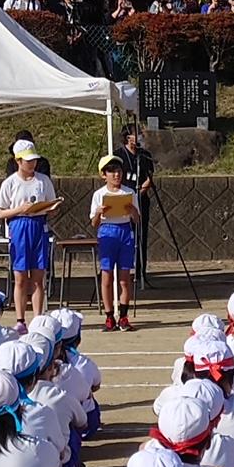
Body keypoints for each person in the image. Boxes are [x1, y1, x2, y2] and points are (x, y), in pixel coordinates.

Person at [0, 140, 61, 328]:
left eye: (34, 160)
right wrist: (20, 209)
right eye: (27, 161)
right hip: (19, 227)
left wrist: (51, 207)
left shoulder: (43, 180)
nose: (32, 164)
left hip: (39, 225)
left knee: (38, 276)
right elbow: (1, 212)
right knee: (20, 276)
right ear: (18, 161)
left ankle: (38, 318)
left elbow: (51, 206)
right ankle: (20, 319)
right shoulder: (10, 183)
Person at [91, 155, 141, 332]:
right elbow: (94, 223)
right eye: (111, 171)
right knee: (106, 276)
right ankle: (109, 316)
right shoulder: (99, 194)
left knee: (124, 278)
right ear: (104, 175)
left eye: (118, 171)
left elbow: (136, 219)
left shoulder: (129, 192)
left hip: (125, 230)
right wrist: (98, 212)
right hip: (107, 231)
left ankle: (124, 316)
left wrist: (133, 210)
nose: (116, 175)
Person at [119, 126, 156, 287]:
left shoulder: (145, 155)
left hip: (141, 199)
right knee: (123, 236)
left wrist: (142, 190)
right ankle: (121, 271)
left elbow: (150, 177)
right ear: (128, 137)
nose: (140, 137)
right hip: (123, 201)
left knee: (141, 236)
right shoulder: (118, 155)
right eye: (136, 134)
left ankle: (141, 272)